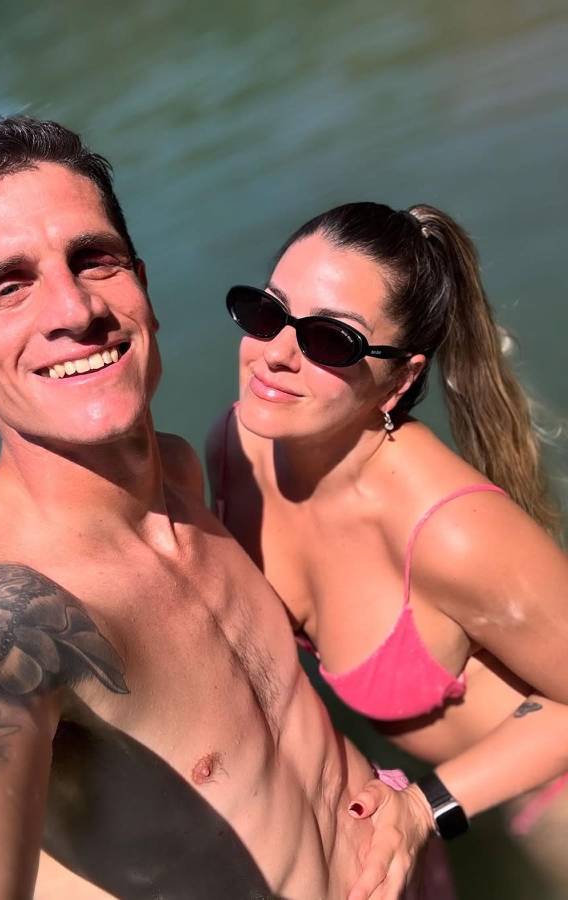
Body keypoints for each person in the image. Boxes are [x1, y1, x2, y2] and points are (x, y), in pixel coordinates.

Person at [0, 120, 432, 900]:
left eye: (94, 259)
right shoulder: (3, 616)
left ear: (143, 284)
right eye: (8, 286)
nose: (74, 308)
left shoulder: (180, 474)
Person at [207, 201, 568, 889]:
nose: (276, 353)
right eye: (267, 312)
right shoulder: (236, 445)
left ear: (399, 381)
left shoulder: (452, 534)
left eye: (330, 340)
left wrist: (426, 808)